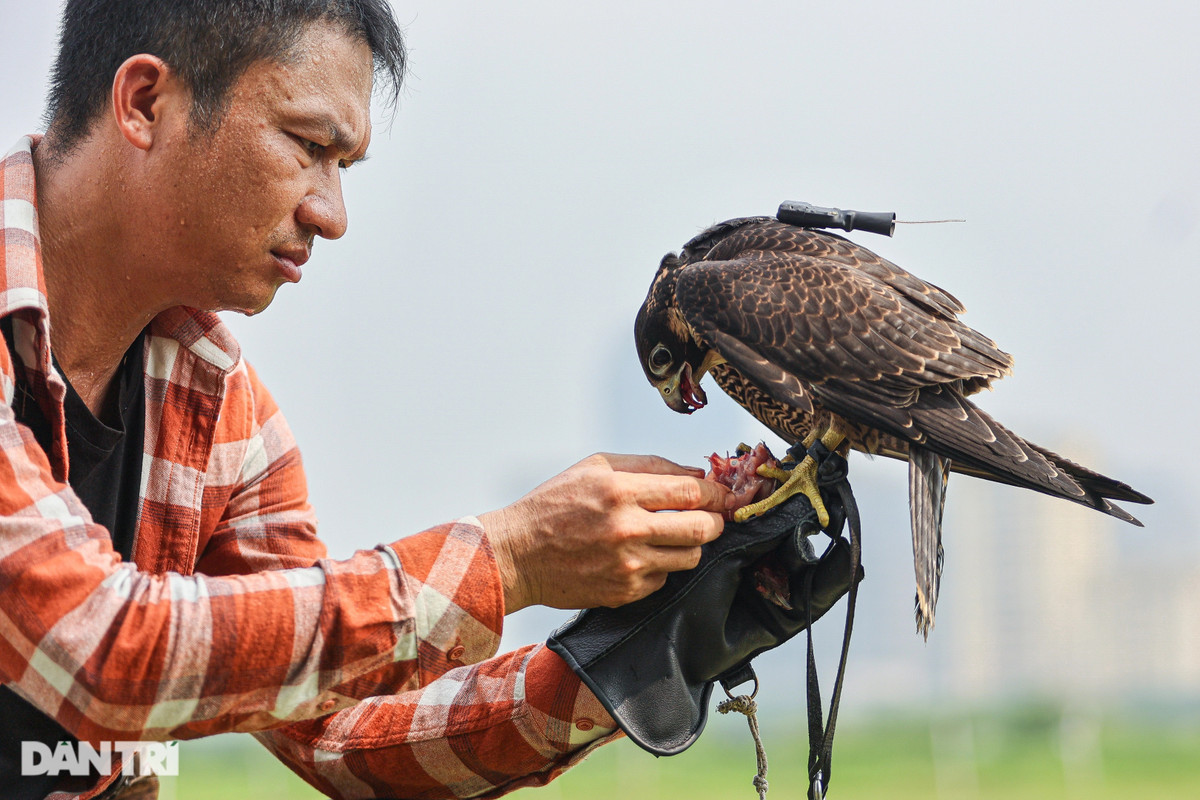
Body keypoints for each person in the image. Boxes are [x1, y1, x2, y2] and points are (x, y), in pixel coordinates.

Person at [0, 2, 735, 797]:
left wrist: (652, 648)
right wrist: (510, 559)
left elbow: (338, 733)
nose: (332, 215)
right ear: (146, 103)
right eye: (309, 145)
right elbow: (106, 650)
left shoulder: (217, 404)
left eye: (342, 166)